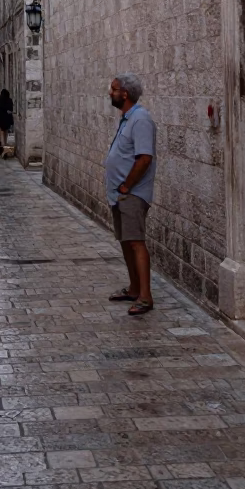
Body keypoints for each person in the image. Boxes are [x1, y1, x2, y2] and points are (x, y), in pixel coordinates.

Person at [104, 74, 156, 316]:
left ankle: (145, 297)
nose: (110, 93)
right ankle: (134, 288)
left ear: (124, 94)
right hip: (119, 194)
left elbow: (145, 157)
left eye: (113, 90)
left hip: (132, 194)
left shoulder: (141, 119)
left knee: (136, 242)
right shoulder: (127, 119)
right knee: (126, 241)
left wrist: (127, 186)